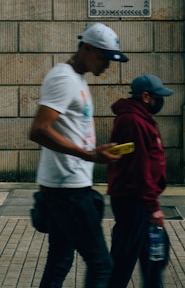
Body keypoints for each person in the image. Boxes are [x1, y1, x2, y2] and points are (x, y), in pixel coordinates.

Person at [29, 22, 128, 288]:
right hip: (69, 191)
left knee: (60, 262)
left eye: (111, 59)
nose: (107, 65)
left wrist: (93, 153)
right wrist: (88, 155)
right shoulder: (63, 78)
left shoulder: (77, 79)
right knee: (101, 265)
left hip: (66, 188)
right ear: (86, 48)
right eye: (104, 57)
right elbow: (38, 130)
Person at [107, 74, 174, 288]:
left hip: (138, 198)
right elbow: (140, 165)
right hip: (134, 200)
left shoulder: (138, 118)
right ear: (146, 96)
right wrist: (152, 206)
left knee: (155, 255)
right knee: (123, 261)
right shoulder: (134, 121)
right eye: (158, 97)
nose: (160, 101)